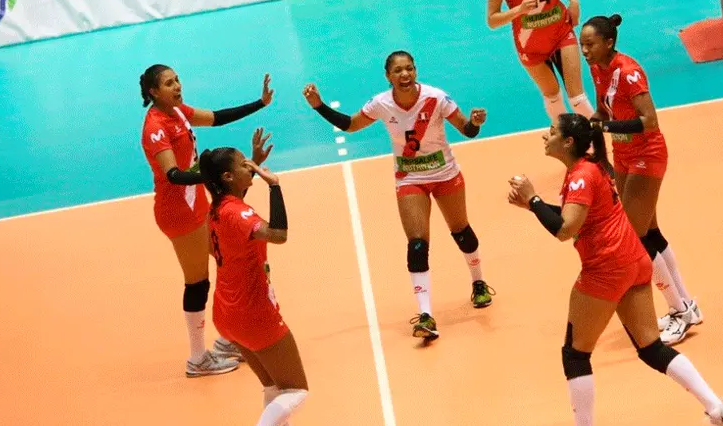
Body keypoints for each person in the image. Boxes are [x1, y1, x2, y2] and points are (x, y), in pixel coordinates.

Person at [507, 114, 723, 426]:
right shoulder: (590, 169)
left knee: (575, 355)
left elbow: (565, 229)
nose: (544, 137)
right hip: (634, 262)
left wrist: (533, 197)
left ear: (567, 142)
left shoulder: (580, 176)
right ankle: (719, 409)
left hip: (606, 269)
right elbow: (578, 217)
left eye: (551, 132)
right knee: (651, 348)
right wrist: (532, 207)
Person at [302, 50, 493, 340]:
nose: (405, 75)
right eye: (398, 71)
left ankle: (478, 283)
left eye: (410, 69)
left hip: (445, 175)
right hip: (410, 178)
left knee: (462, 232)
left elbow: (467, 130)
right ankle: (426, 315)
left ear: (415, 71)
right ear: (388, 76)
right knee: (417, 244)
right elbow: (351, 125)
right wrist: (319, 106)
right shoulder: (381, 104)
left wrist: (476, 122)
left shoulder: (436, 97)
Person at [139, 63, 274, 376]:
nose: (177, 86)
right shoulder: (156, 127)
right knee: (198, 281)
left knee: (233, 261)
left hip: (197, 204)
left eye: (177, 80)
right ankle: (198, 358)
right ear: (153, 92)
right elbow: (174, 175)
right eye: (169, 83)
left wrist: (260, 103)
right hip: (178, 212)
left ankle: (228, 340)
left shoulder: (178, 111)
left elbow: (216, 117)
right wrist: (214, 174)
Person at [578, 15, 701, 345]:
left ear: (608, 43)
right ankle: (688, 304)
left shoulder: (629, 73)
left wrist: (605, 128)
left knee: (634, 238)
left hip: (647, 154)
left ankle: (680, 312)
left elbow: (649, 121)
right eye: (582, 45)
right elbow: (605, 112)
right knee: (650, 231)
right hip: (624, 155)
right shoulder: (598, 69)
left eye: (590, 44)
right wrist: (590, 127)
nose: (585, 51)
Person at [198, 139, 309, 426]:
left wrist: (252, 165)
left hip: (226, 314)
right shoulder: (238, 213)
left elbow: (236, 211)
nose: (251, 166)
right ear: (228, 176)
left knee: (273, 388)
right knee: (296, 390)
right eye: (244, 163)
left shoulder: (217, 209)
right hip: (254, 313)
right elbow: (278, 234)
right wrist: (274, 185)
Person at [486, 0, 595, 124]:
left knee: (577, 98)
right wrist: (519, 10)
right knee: (553, 95)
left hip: (561, 31)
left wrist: (573, 0)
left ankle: (600, 137)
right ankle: (568, 142)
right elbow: (492, 20)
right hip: (530, 44)